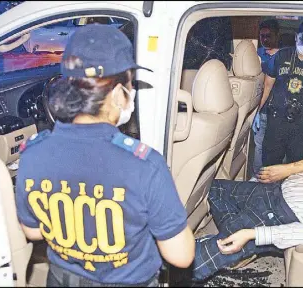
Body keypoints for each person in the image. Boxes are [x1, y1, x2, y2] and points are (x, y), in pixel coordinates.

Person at [15, 24, 195, 287]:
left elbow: (32, 231)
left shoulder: (33, 154)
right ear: (117, 92)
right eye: (131, 82)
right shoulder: (145, 165)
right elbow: (181, 256)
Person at [192, 145, 303, 281]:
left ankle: (230, 244)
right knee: (214, 189)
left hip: (277, 216)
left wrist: (251, 234)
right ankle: (234, 246)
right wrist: (290, 169)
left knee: (194, 262)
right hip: (276, 188)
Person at [259, 19, 303, 167]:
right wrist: (257, 112)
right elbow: (267, 86)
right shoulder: (280, 56)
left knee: (295, 169)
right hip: (276, 120)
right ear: (296, 36)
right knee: (269, 167)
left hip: (302, 125)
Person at [252, 19, 281, 178]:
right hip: (261, 110)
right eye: (262, 36)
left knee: (276, 148)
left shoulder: (284, 56)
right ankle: (258, 178)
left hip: (279, 111)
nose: (264, 39)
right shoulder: (256, 55)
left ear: (277, 35)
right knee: (259, 147)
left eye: (268, 36)